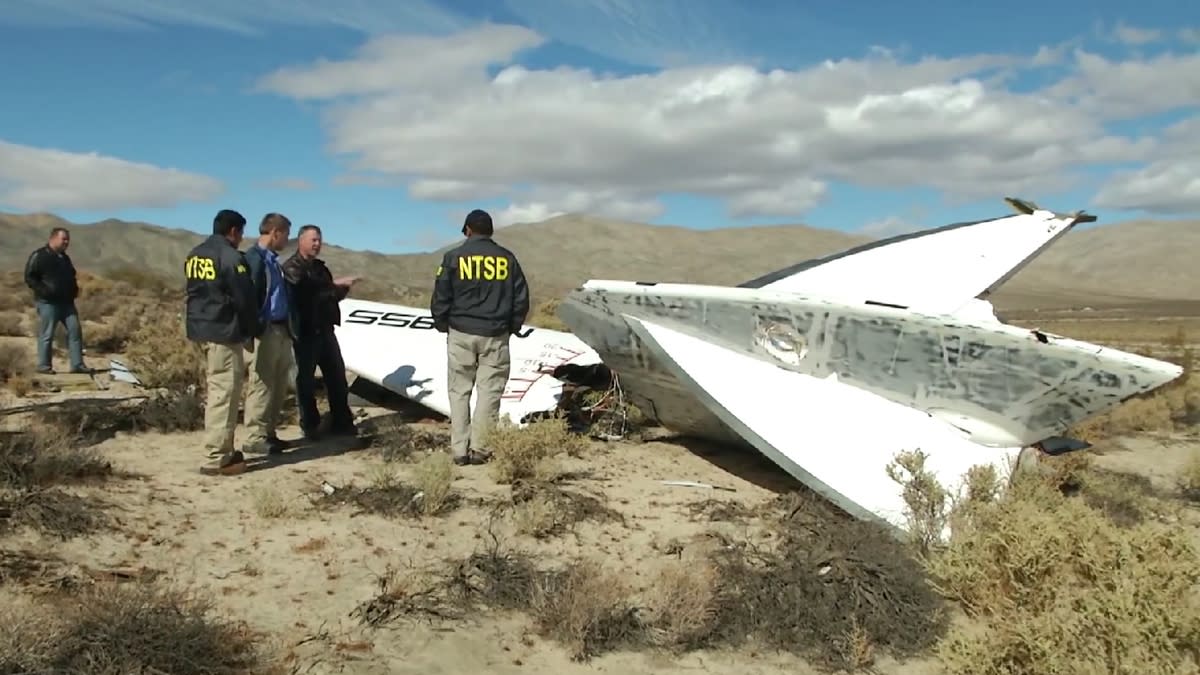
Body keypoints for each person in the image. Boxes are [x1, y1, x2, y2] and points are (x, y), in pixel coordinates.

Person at [430, 209, 530, 466]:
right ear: (491, 231)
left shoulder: (453, 257)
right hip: (495, 335)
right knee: (489, 392)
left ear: (468, 230)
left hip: (461, 332)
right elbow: (521, 298)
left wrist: (442, 323)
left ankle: (459, 450)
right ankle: (481, 449)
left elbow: (441, 295)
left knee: (459, 391)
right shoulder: (507, 259)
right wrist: (512, 326)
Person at [184, 209, 260, 474]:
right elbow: (244, 298)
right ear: (234, 231)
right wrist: (251, 330)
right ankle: (216, 457)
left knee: (217, 389)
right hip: (223, 331)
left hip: (201, 329)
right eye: (241, 233)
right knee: (224, 394)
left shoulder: (195, 254)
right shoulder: (230, 257)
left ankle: (224, 450)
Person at [281, 224, 359, 441]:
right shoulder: (292, 268)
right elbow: (307, 293)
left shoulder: (320, 268)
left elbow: (327, 295)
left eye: (319, 240)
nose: (317, 244)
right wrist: (335, 287)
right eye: (313, 240)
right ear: (301, 241)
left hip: (326, 329)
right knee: (305, 381)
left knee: (337, 377)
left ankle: (341, 421)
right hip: (305, 332)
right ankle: (310, 425)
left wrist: (340, 290)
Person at [242, 212, 300, 455]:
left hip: (281, 329)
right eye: (285, 234)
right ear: (275, 233)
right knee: (262, 383)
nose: (287, 240)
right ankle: (255, 435)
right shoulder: (253, 260)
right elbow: (248, 297)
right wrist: (254, 329)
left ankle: (268, 432)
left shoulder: (272, 261)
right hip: (264, 331)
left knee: (277, 385)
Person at [24, 227, 90, 375]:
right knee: (47, 334)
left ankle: (77, 365)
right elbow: (30, 276)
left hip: (67, 303)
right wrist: (44, 291)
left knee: (75, 332)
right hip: (48, 303)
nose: (66, 242)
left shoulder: (65, 258)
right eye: (64, 239)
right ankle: (44, 366)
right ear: (53, 238)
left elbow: (71, 275)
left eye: (68, 240)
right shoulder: (39, 255)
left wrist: (74, 289)